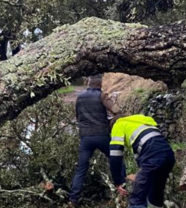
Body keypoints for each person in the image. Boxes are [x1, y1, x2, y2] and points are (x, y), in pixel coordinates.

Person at [68, 74, 122, 206]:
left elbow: (78, 117)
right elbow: (117, 110)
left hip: (86, 138)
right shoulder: (101, 95)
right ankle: (121, 188)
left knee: (81, 169)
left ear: (88, 83)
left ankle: (73, 200)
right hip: (102, 136)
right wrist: (110, 124)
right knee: (117, 160)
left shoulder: (79, 98)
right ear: (100, 85)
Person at [109, 114, 175, 208]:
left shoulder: (118, 124)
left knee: (137, 199)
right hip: (168, 155)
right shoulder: (142, 122)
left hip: (152, 158)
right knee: (155, 194)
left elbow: (115, 156)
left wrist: (117, 181)